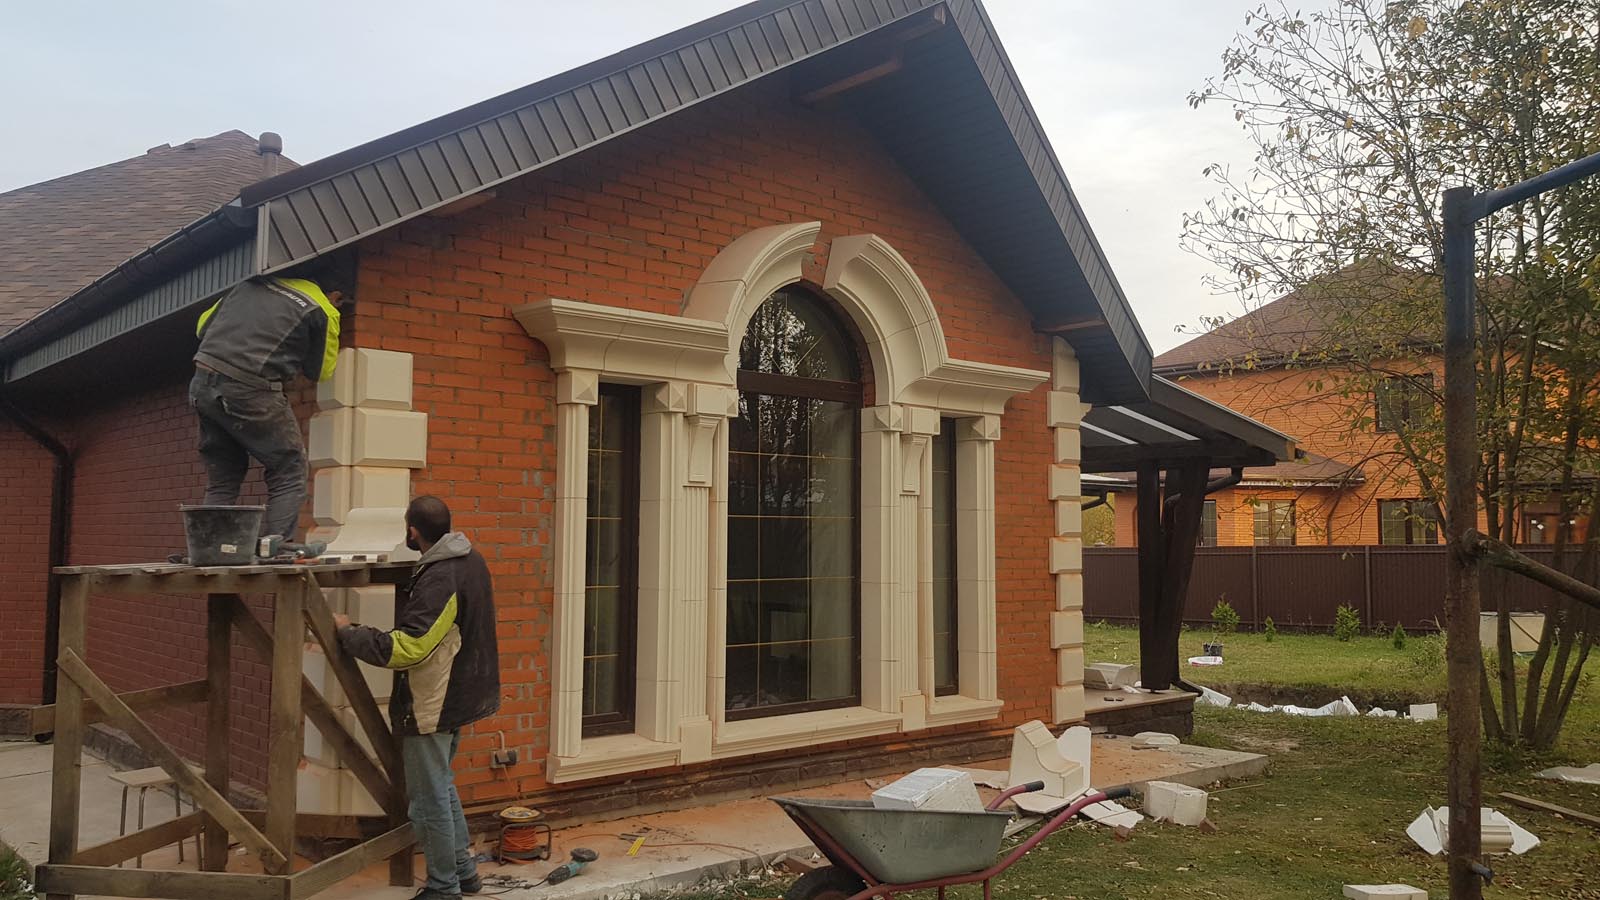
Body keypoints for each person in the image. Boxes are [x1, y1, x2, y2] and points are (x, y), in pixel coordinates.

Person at [335, 497, 501, 900]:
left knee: (428, 800)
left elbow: (410, 647)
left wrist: (349, 633)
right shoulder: (470, 560)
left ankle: (444, 888)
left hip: (435, 701)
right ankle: (464, 873)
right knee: (441, 786)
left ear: (412, 532)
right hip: (461, 693)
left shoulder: (442, 577)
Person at [191, 274, 342, 541]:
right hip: (250, 388)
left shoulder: (247, 285)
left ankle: (207, 546)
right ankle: (275, 545)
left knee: (224, 475)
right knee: (289, 466)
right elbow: (320, 371)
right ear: (334, 293)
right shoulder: (322, 307)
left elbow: (202, 328)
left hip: (202, 383)